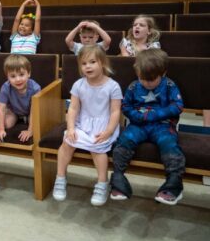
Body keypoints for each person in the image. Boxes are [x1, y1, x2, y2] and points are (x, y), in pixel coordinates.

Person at [110, 49, 185, 205]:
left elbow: (178, 106)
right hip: (139, 125)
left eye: (151, 79)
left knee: (169, 143)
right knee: (125, 139)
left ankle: (174, 183)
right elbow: (125, 106)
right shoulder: (133, 87)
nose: (147, 83)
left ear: (162, 73)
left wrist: (157, 114)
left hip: (163, 125)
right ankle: (118, 178)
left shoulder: (169, 85)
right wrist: (137, 116)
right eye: (142, 79)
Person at [52, 45, 122, 206]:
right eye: (84, 63)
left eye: (92, 62)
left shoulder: (113, 86)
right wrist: (70, 128)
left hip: (104, 124)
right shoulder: (79, 84)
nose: (88, 66)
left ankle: (102, 184)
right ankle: (60, 178)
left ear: (102, 63)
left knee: (98, 149)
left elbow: (115, 112)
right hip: (83, 123)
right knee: (67, 143)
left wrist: (108, 131)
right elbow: (73, 108)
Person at [0, 55, 41, 144]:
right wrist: (0, 130)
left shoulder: (35, 88)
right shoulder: (5, 87)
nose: (18, 79)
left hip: (29, 111)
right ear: (7, 77)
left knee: (37, 122)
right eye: (13, 76)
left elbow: (34, 111)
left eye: (21, 74)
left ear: (29, 73)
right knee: (7, 124)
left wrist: (30, 130)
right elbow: (2, 110)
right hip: (13, 110)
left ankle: (24, 119)